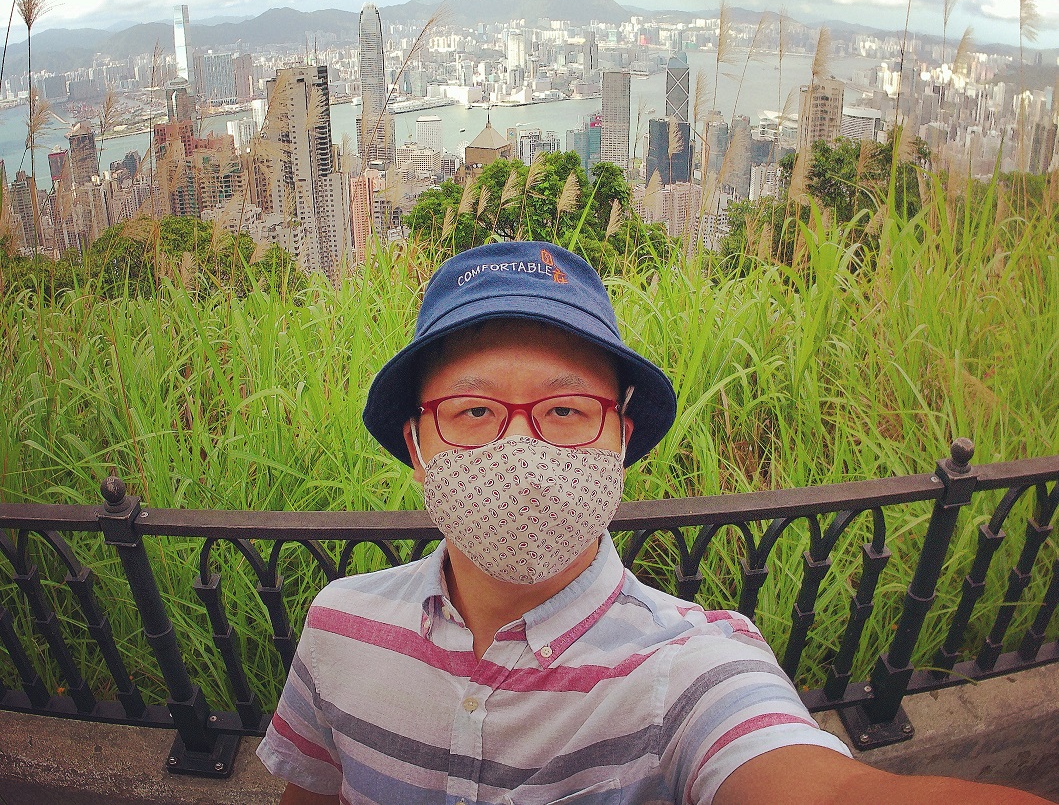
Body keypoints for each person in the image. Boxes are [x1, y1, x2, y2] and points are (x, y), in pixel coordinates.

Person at [258, 241, 1046, 804]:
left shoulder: (688, 668)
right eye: (472, 410)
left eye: (565, 409)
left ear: (619, 441)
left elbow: (816, 782)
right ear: (417, 443)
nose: (520, 446)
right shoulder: (339, 628)